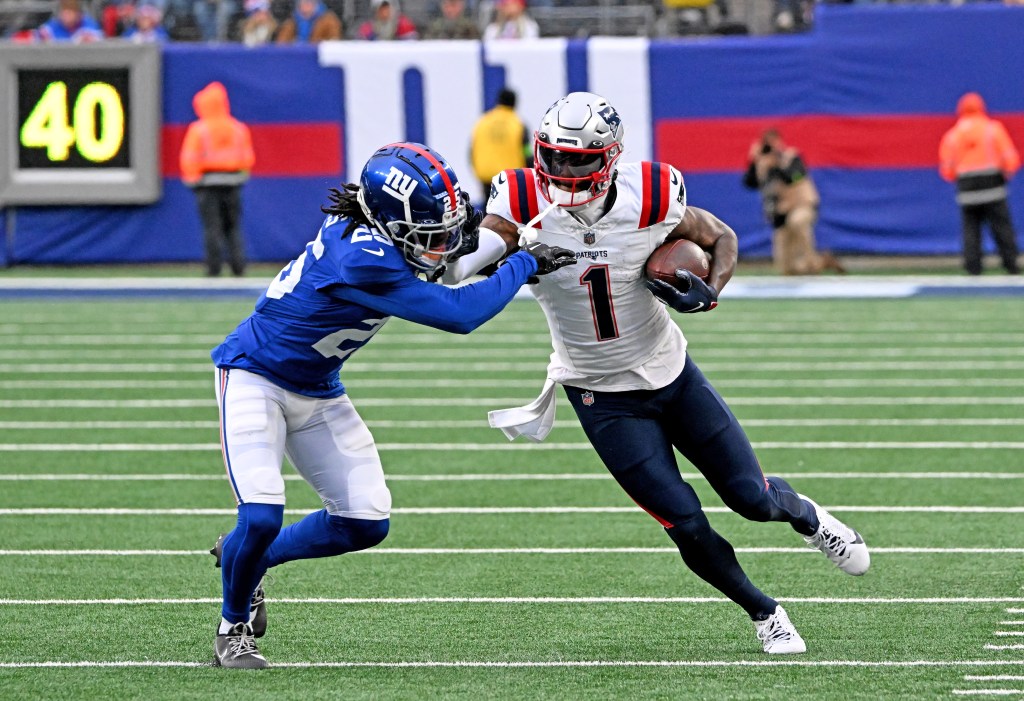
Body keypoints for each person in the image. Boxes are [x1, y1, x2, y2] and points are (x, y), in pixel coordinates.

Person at [442, 92, 870, 655]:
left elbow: (721, 237)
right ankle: (764, 612)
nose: (566, 171)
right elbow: (476, 251)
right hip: (600, 394)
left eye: (581, 160)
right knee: (684, 520)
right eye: (557, 157)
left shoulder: (651, 194)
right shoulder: (522, 197)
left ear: (611, 158)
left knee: (751, 497)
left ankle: (810, 519)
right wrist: (462, 256)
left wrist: (708, 294)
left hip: (671, 371)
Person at [207, 142, 575, 669]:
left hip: (317, 386)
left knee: (364, 521)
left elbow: (449, 260)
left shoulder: (382, 230)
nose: (439, 243)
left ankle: (251, 559)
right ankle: (233, 625)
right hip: (254, 378)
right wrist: (522, 262)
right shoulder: (362, 256)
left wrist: (493, 236)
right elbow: (458, 314)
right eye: (427, 234)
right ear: (388, 222)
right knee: (262, 513)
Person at [742, 128, 844, 275]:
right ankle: (822, 262)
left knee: (797, 221)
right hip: (781, 214)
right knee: (786, 269)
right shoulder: (763, 164)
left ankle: (811, 261)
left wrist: (777, 164)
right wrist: (754, 162)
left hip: (802, 205)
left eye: (773, 143)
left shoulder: (792, 157)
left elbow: (793, 177)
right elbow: (749, 183)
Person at [938, 92, 1021, 275]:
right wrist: (1004, 174)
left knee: (970, 229)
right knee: (1001, 228)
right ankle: (1011, 265)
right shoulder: (993, 129)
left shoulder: (953, 136)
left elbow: (947, 170)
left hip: (967, 190)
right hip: (993, 186)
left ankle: (973, 267)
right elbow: (1011, 159)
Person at [179, 82, 256, 277]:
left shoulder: (199, 129)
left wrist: (193, 180)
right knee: (233, 227)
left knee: (212, 227)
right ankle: (239, 267)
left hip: (207, 183)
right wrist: (240, 177)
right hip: (233, 182)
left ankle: (214, 269)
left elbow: (189, 157)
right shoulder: (238, 128)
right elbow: (247, 158)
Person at [469, 88, 532, 202]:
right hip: (510, 179)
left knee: (488, 211)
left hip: (486, 176)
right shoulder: (518, 124)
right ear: (515, 103)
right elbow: (527, 153)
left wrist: (478, 172)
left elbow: (472, 151)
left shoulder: (483, 121)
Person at [275, 0, 343, 43]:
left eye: (309, 3)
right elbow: (281, 43)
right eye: (303, 3)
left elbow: (334, 40)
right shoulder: (291, 22)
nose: (306, 6)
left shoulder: (330, 20)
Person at [37, 0, 104, 42]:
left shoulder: (88, 25)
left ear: (77, 13)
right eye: (64, 12)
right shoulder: (54, 26)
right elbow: (38, 35)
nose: (66, 16)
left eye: (69, 13)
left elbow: (100, 40)